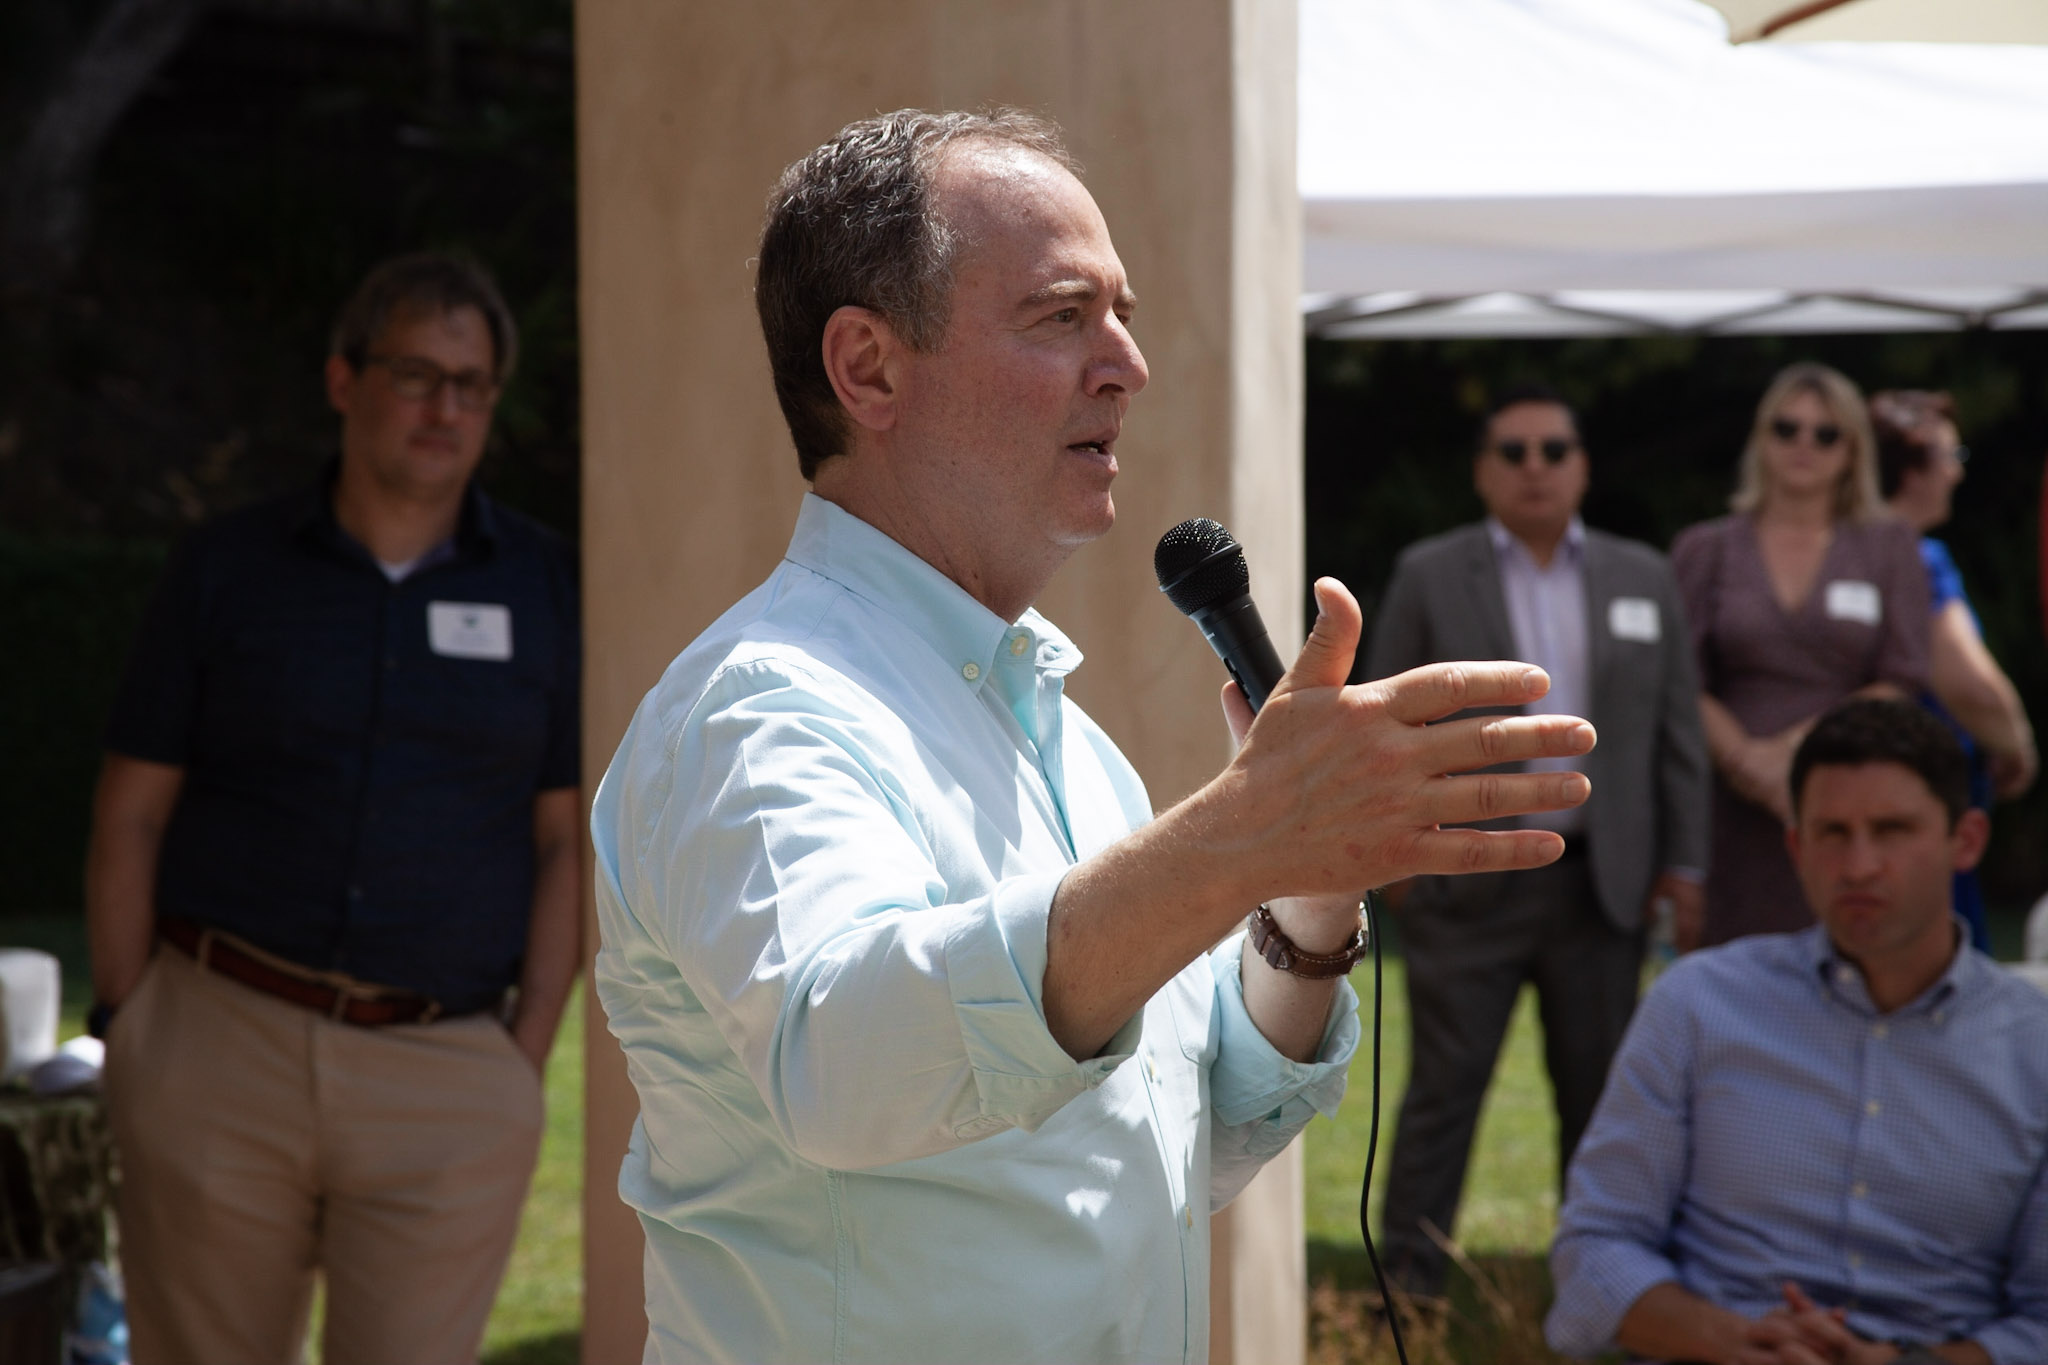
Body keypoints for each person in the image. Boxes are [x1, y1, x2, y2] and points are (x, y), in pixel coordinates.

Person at [590, 108, 1597, 1365]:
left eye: (1120, 314)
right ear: (869, 370)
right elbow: (845, 1060)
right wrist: (1233, 841)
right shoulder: (760, 710)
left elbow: (1189, 1136)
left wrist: (1306, 899)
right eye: (1061, 317)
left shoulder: (1063, 738)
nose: (1125, 362)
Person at [86, 253, 582, 1365]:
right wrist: (133, 1022)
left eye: (470, 384)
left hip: (445, 1076)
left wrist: (523, 1054)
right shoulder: (226, 571)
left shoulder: (545, 588)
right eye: (415, 373)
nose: (444, 406)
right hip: (220, 1046)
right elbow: (130, 811)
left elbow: (563, 840)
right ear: (343, 381)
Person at [1546, 697, 2048, 1363]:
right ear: (1796, 844)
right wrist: (1733, 1339)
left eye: (1892, 829)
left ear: (1967, 840)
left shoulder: (2033, 1045)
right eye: (1832, 832)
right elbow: (1593, 1249)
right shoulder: (1700, 1005)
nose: (1860, 864)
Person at [1364, 384, 1710, 1301]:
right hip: (1466, 881)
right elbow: (1384, 723)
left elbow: (1676, 732)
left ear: (1582, 465)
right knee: (1444, 1093)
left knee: (1603, 1101)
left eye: (1553, 449)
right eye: (1512, 451)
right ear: (1482, 470)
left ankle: (1605, 1289)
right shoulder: (1431, 574)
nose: (1534, 467)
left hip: (1605, 885)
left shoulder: (1644, 578)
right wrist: (1401, 860)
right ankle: (1409, 1292)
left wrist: (1685, 864)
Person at [1672, 363, 1930, 946]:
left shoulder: (1888, 546)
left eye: (1826, 433)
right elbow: (1677, 679)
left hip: (1849, 800)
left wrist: (1794, 753)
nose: (1804, 445)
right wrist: (1747, 761)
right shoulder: (1707, 548)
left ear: (1852, 451)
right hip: (1731, 812)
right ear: (1761, 439)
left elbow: (1905, 674)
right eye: (1787, 429)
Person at [1873, 388, 2037, 952]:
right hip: (1920, 802)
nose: (1957, 474)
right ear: (1910, 467)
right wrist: (2017, 745)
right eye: (1950, 457)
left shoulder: (1845, 552)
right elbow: (1971, 685)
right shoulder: (1916, 558)